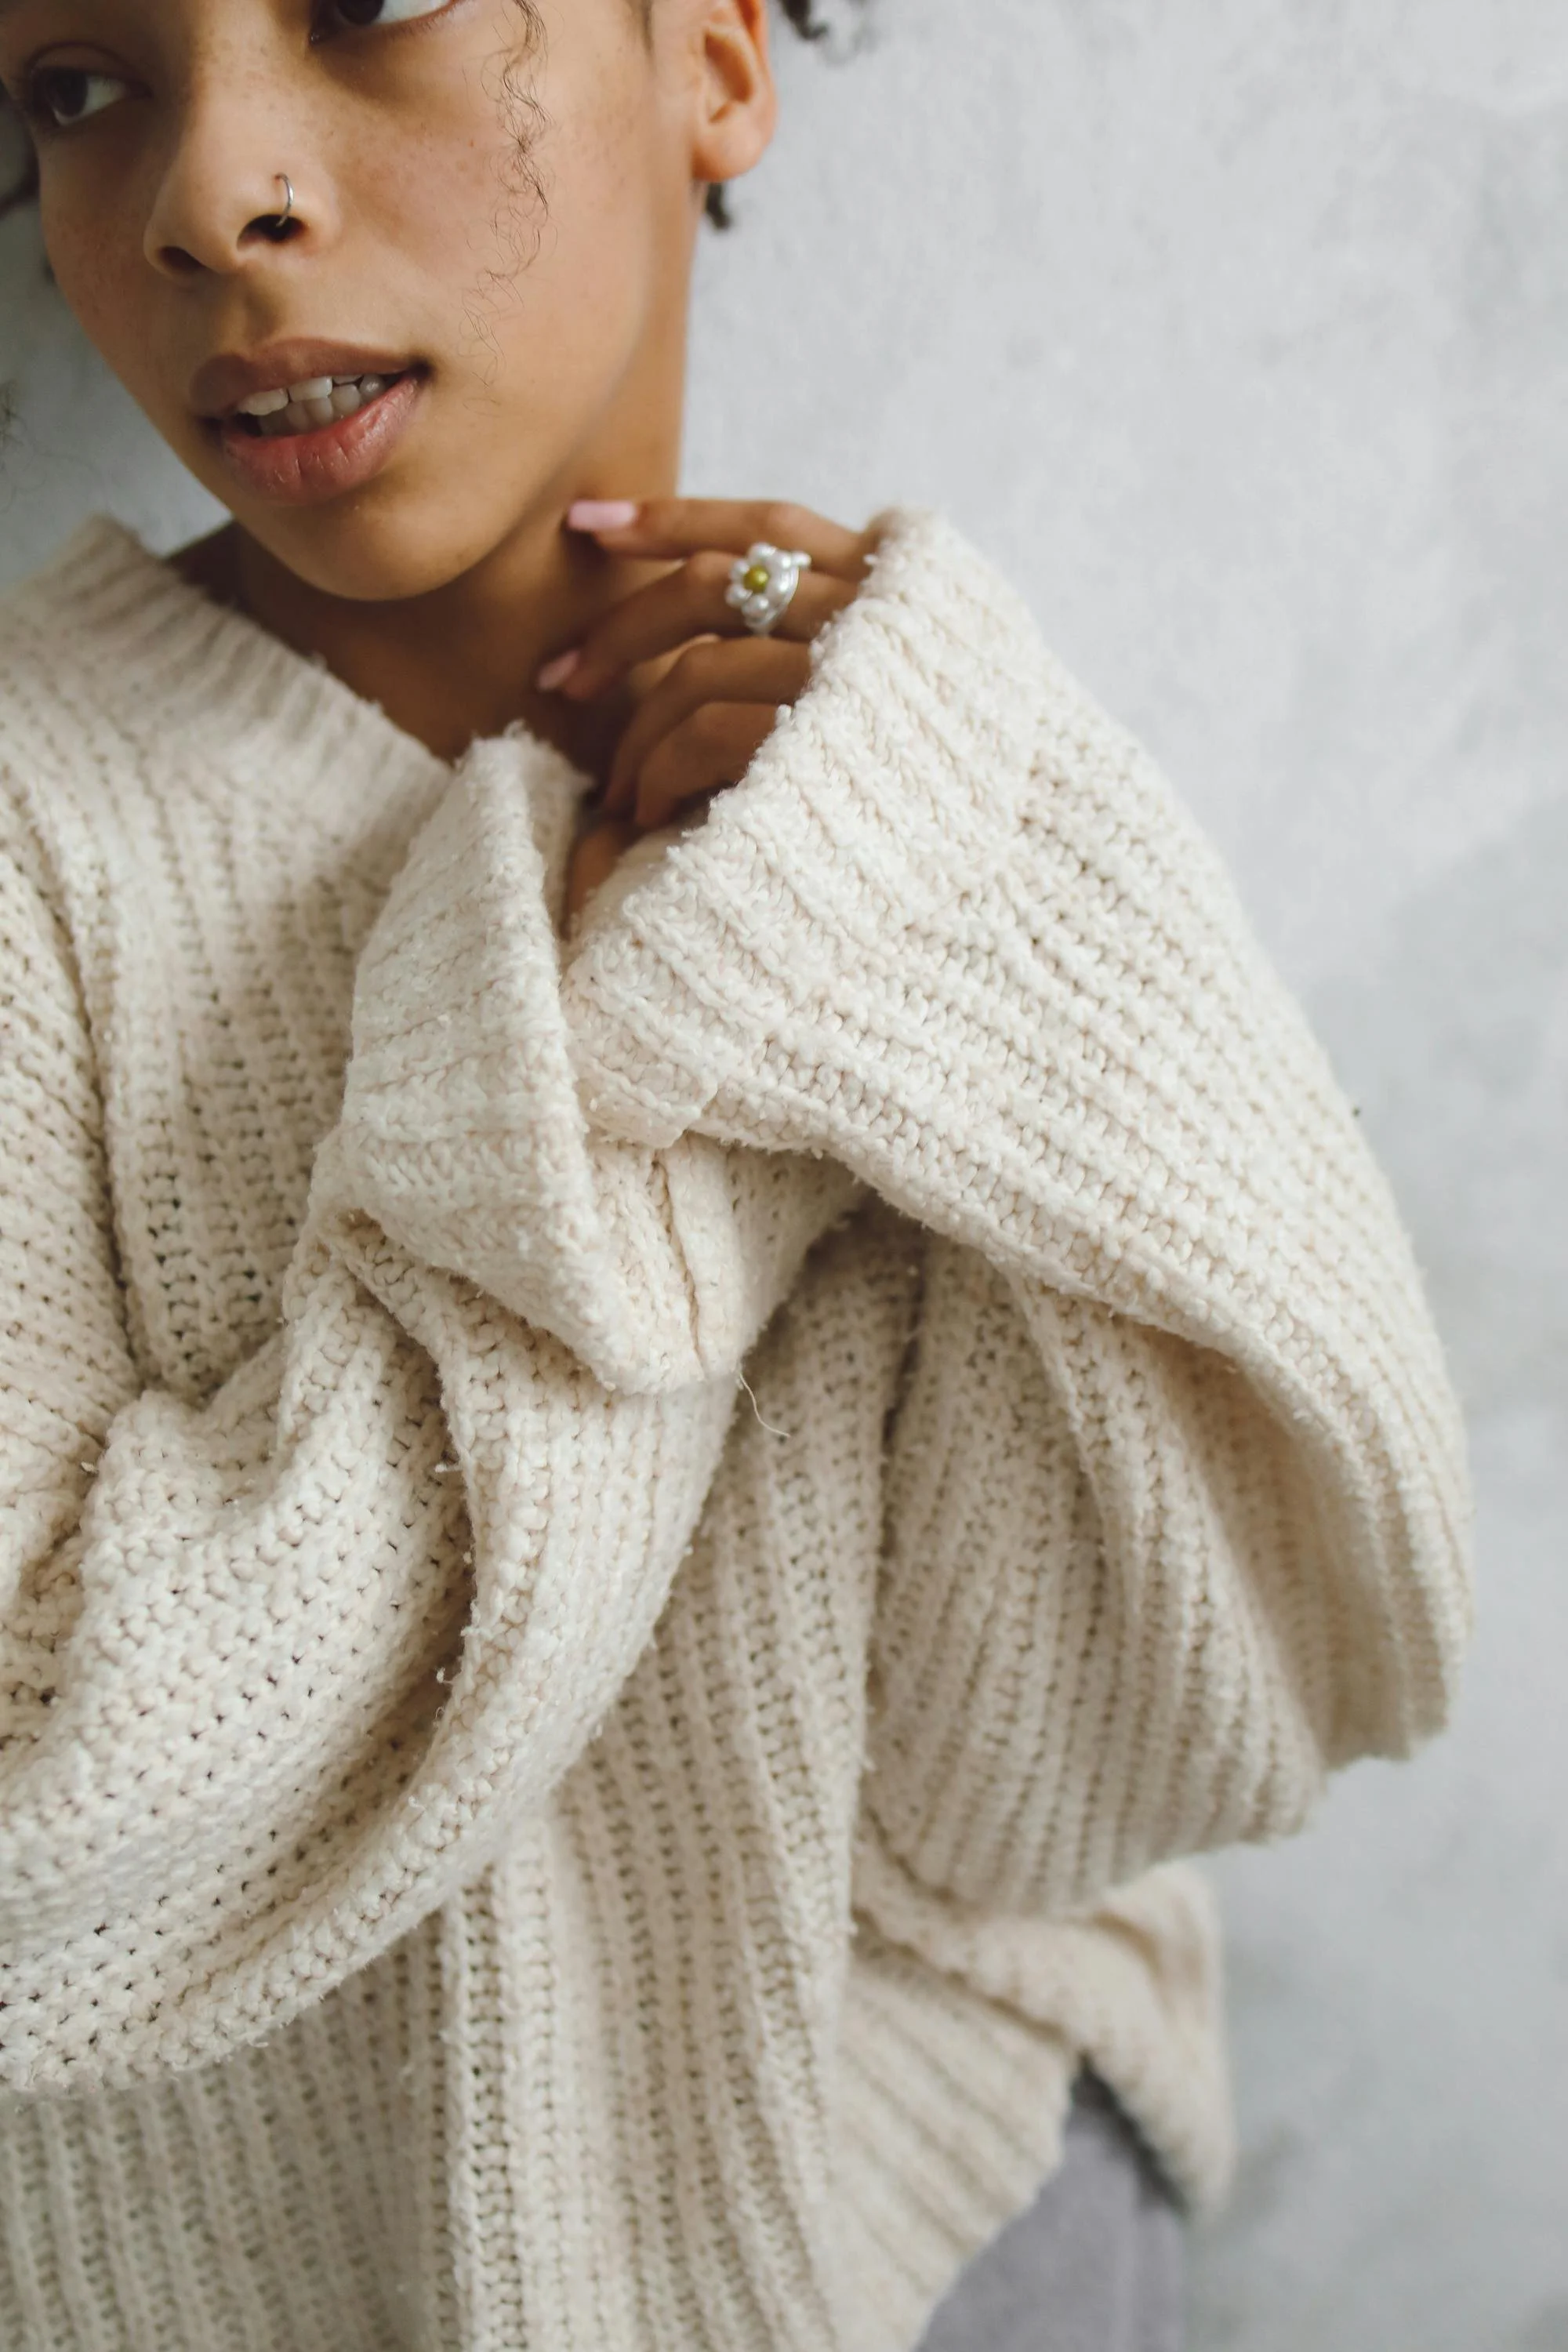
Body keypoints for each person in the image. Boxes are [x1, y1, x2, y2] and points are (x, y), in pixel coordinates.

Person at [0, 3, 1472, 2348]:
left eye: (372, 1)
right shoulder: (36, 836)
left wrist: (958, 862)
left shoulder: (907, 783)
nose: (206, 195)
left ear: (711, 58)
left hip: (964, 2229)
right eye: (78, 86)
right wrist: (629, 1088)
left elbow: (1152, 1747)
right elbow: (43, 1829)